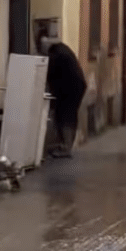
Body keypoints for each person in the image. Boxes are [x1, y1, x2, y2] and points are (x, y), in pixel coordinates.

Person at [36, 30, 88, 158]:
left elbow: (49, 75)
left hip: (70, 88)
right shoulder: (61, 49)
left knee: (65, 115)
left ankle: (65, 147)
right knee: (68, 114)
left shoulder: (56, 54)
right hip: (76, 86)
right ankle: (65, 145)